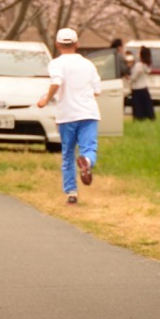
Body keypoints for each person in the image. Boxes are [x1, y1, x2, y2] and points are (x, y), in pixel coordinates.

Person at [37, 27, 101, 205]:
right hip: (89, 113)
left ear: (57, 45)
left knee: (67, 155)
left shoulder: (56, 63)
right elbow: (97, 91)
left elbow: (57, 82)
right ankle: (87, 161)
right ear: (77, 44)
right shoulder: (88, 64)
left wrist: (46, 98)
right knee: (89, 148)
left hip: (67, 115)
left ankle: (71, 193)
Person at [128, 46, 155, 121]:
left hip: (137, 90)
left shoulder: (138, 65)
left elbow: (133, 78)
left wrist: (128, 79)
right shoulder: (146, 65)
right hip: (144, 88)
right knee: (147, 108)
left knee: (138, 110)